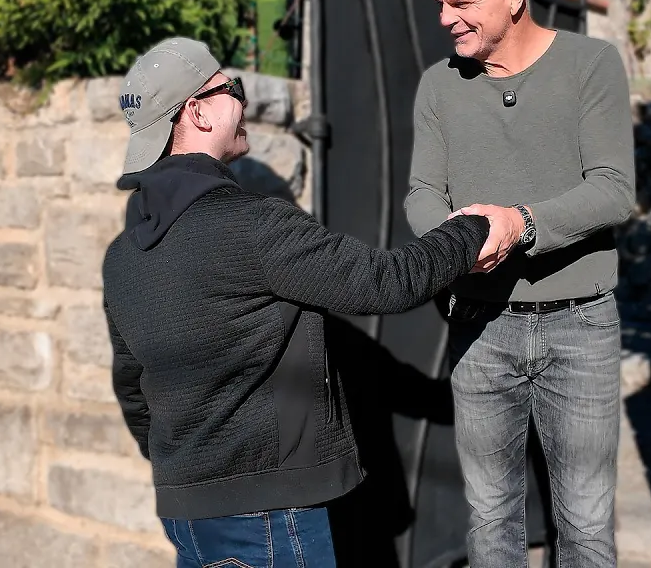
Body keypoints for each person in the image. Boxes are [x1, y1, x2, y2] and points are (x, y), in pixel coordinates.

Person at [101, 37, 498, 567]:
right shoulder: (251, 225)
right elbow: (386, 283)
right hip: (267, 515)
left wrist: (189, 467)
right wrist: (476, 227)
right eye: (231, 89)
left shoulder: (123, 256)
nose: (241, 104)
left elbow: (133, 388)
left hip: (186, 512)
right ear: (196, 112)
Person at [404, 0, 636, 567]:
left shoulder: (591, 65)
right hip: (478, 324)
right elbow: (421, 193)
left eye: (461, 3)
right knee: (490, 520)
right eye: (441, 3)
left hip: (581, 326)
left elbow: (615, 188)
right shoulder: (438, 86)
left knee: (586, 523)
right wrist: (457, 239)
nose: (447, 18)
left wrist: (520, 224)